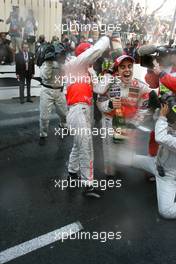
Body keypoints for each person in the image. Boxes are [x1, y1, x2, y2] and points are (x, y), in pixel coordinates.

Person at [65, 36, 110, 198]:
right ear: (84, 55)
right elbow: (96, 50)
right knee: (86, 149)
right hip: (77, 110)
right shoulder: (74, 65)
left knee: (79, 145)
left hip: (86, 110)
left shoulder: (89, 71)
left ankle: (72, 172)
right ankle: (88, 185)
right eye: (91, 56)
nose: (95, 59)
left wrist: (109, 74)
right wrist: (107, 38)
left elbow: (99, 89)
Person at [96, 55, 150, 177]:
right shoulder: (109, 83)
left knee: (124, 154)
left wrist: (134, 123)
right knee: (110, 149)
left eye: (130, 66)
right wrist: (109, 104)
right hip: (110, 120)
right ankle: (109, 170)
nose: (127, 69)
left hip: (127, 121)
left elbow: (144, 107)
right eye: (122, 67)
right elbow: (99, 102)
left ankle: (123, 164)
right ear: (117, 70)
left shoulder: (139, 85)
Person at [132, 104, 176, 219]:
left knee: (166, 211)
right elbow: (158, 121)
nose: (172, 123)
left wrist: (162, 117)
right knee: (129, 158)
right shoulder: (173, 127)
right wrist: (158, 108)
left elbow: (160, 137)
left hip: (168, 176)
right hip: (156, 163)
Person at [39, 43, 68, 145]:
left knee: (64, 113)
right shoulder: (45, 63)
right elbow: (45, 77)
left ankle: (63, 125)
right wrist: (48, 62)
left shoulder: (62, 63)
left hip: (59, 91)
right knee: (44, 117)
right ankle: (43, 134)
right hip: (47, 91)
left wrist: (62, 62)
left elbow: (65, 75)